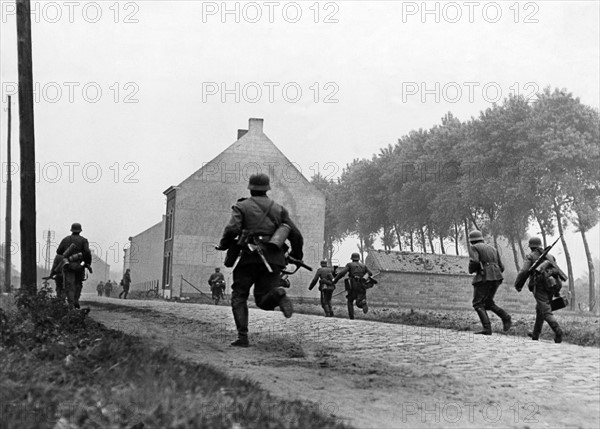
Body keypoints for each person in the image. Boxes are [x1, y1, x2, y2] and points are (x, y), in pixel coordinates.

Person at [217, 173, 304, 347]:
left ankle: (243, 337)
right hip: (274, 259)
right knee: (263, 300)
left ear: (250, 188)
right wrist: (296, 256)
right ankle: (278, 293)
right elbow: (296, 235)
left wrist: (224, 244)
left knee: (239, 295)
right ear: (267, 189)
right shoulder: (279, 209)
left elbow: (232, 229)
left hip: (249, 257)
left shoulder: (241, 206)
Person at [514, 237, 564, 343]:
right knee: (540, 309)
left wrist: (518, 284)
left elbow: (524, 271)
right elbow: (557, 271)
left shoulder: (530, 256)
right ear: (540, 245)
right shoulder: (550, 256)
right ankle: (535, 334)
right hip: (551, 285)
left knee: (545, 310)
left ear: (531, 247)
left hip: (539, 285)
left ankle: (558, 331)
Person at [468, 230, 512, 335]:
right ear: (481, 238)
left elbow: (474, 261)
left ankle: (487, 329)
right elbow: (502, 267)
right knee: (487, 302)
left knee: (477, 303)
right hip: (497, 277)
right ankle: (505, 317)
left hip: (484, 277)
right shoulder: (493, 248)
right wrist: (494, 271)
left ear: (472, 241)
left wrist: (472, 269)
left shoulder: (474, 247)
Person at [56, 223, 92, 309]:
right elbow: (87, 252)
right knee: (78, 283)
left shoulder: (65, 239)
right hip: (80, 266)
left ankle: (71, 303)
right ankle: (76, 300)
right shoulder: (84, 240)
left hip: (68, 265)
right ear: (80, 230)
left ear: (71, 230)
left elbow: (59, 251)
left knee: (69, 284)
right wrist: (87, 263)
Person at [332, 253, 373, 320]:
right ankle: (362, 303)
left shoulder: (349, 265)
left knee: (350, 300)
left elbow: (342, 273)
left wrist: (335, 280)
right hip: (362, 285)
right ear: (359, 258)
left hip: (353, 285)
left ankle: (351, 317)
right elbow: (370, 273)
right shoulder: (363, 266)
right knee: (359, 301)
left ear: (352, 258)